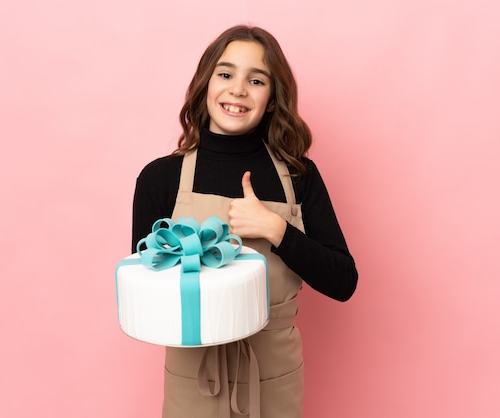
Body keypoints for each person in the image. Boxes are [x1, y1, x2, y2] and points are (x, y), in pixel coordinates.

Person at [131, 25, 358, 418]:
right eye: (225, 74)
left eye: (256, 80)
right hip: (194, 376)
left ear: (272, 99)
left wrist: (276, 230)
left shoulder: (299, 176)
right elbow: (147, 292)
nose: (238, 89)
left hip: (274, 376)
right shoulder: (159, 179)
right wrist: (193, 258)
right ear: (205, 85)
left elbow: (343, 282)